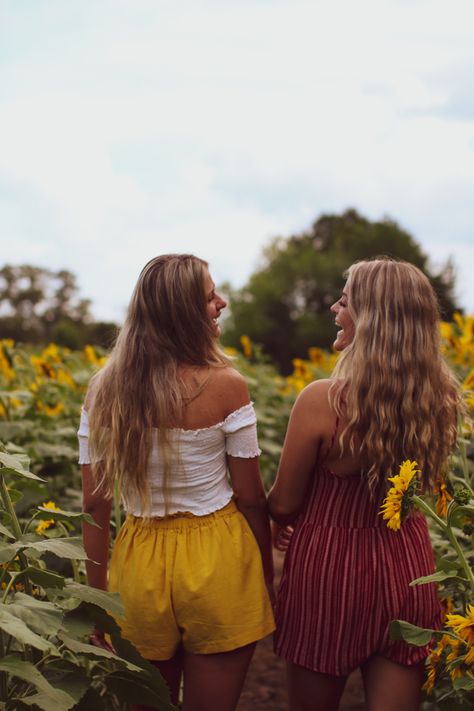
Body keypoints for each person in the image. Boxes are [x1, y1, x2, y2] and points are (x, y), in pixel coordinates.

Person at [78, 254, 275, 711]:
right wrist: (264, 574)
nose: (222, 302)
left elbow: (95, 503)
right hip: (219, 557)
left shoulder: (103, 390)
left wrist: (96, 598)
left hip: (138, 562)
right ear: (183, 310)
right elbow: (251, 498)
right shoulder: (228, 385)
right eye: (210, 296)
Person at [268, 257, 462, 711]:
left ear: (372, 317)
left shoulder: (323, 400)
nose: (335, 309)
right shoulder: (438, 399)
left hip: (329, 572)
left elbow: (283, 505)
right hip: (408, 567)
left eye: (345, 300)